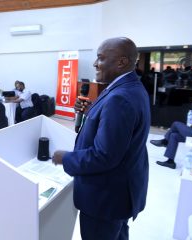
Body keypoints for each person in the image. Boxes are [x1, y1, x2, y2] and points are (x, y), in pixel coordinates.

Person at [52, 37, 150, 240]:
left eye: (101, 58)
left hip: (106, 199)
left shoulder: (119, 97)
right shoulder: (132, 88)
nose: (95, 63)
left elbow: (104, 155)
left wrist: (66, 158)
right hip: (122, 193)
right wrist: (92, 112)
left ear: (121, 62)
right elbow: (123, 131)